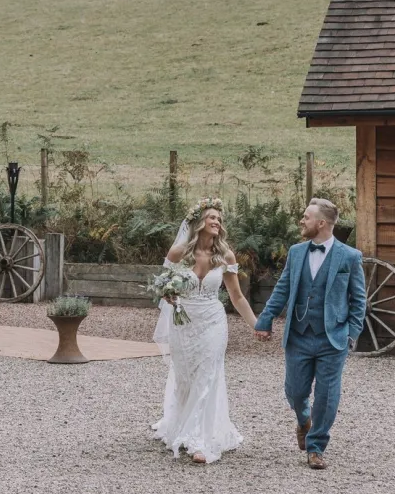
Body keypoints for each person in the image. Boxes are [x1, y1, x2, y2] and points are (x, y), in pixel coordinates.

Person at [253, 198, 366, 470]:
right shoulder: (296, 252)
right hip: (299, 335)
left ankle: (316, 448)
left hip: (333, 337)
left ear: (322, 223)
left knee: (327, 395)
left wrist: (351, 333)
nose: (302, 221)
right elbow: (282, 288)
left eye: (306, 217)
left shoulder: (350, 257)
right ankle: (304, 419)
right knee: (294, 391)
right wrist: (264, 320)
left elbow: (359, 299)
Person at [151, 197, 258, 464]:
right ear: (199, 222)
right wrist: (169, 296)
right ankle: (180, 424)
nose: (217, 222)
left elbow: (237, 297)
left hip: (212, 321)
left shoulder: (226, 256)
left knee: (207, 376)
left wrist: (258, 326)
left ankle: (198, 440)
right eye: (212, 217)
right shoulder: (178, 253)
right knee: (187, 377)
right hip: (184, 323)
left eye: (220, 220)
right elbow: (163, 288)